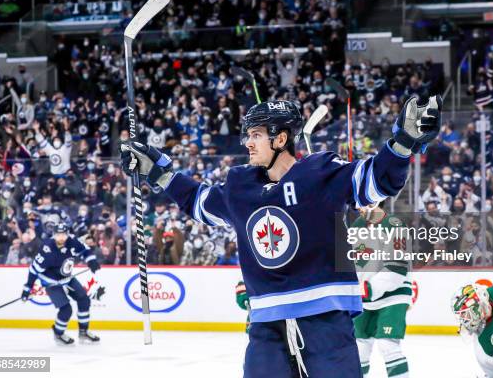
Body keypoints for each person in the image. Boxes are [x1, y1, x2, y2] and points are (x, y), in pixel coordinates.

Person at [121, 95, 442, 377]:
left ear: (281, 139)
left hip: (326, 321)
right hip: (266, 328)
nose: (248, 143)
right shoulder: (240, 187)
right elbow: (197, 201)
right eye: (248, 135)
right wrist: (158, 171)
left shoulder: (321, 173)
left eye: (257, 135)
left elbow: (377, 179)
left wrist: (401, 145)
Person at [351, 202, 412, 378]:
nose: (359, 209)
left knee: (388, 344)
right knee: (360, 346)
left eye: (362, 205)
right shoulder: (357, 226)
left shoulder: (394, 225)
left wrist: (369, 288)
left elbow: (397, 269)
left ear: (374, 202)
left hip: (394, 295)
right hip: (365, 298)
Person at [21, 223, 101, 345]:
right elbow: (34, 270)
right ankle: (58, 333)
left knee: (84, 300)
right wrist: (27, 288)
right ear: (54, 235)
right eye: (58, 235)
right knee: (66, 310)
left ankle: (83, 332)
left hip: (66, 278)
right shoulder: (47, 249)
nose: (61, 238)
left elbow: (86, 250)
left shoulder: (73, 241)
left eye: (64, 234)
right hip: (51, 282)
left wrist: (92, 261)